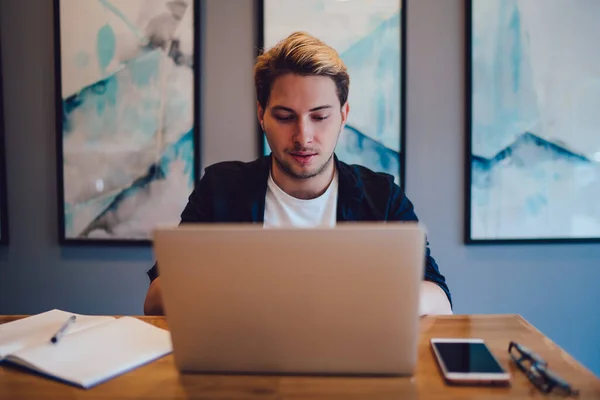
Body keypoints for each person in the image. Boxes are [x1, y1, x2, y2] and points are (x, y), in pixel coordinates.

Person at [144, 31, 452, 316]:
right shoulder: (220, 188)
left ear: (343, 115)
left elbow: (439, 299)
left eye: (319, 117)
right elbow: (155, 298)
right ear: (261, 115)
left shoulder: (382, 196)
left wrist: (363, 297)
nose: (303, 137)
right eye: (284, 116)